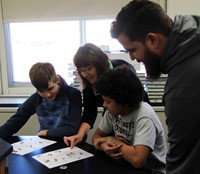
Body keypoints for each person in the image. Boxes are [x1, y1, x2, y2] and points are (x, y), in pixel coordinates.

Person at [110, 0, 200, 173]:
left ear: (152, 39)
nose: (133, 57)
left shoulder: (182, 89)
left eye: (132, 49)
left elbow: (183, 165)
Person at [64, 43, 151, 148]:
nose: (85, 74)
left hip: (134, 115)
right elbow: (89, 113)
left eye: (88, 68)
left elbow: (131, 97)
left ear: (99, 64)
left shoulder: (122, 69)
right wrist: (80, 135)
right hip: (113, 119)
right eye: (82, 70)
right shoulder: (89, 86)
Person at [92, 66, 167, 173]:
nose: (104, 105)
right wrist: (103, 145)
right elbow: (96, 136)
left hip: (151, 170)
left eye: (108, 102)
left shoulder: (144, 116)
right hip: (126, 164)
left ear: (123, 101)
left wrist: (113, 140)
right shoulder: (113, 112)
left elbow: (138, 160)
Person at [0, 62, 82, 139]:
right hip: (46, 142)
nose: (47, 95)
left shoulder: (73, 95)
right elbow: (16, 121)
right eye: (41, 91)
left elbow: (72, 128)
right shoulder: (36, 98)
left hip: (70, 142)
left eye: (50, 88)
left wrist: (46, 132)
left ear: (57, 80)